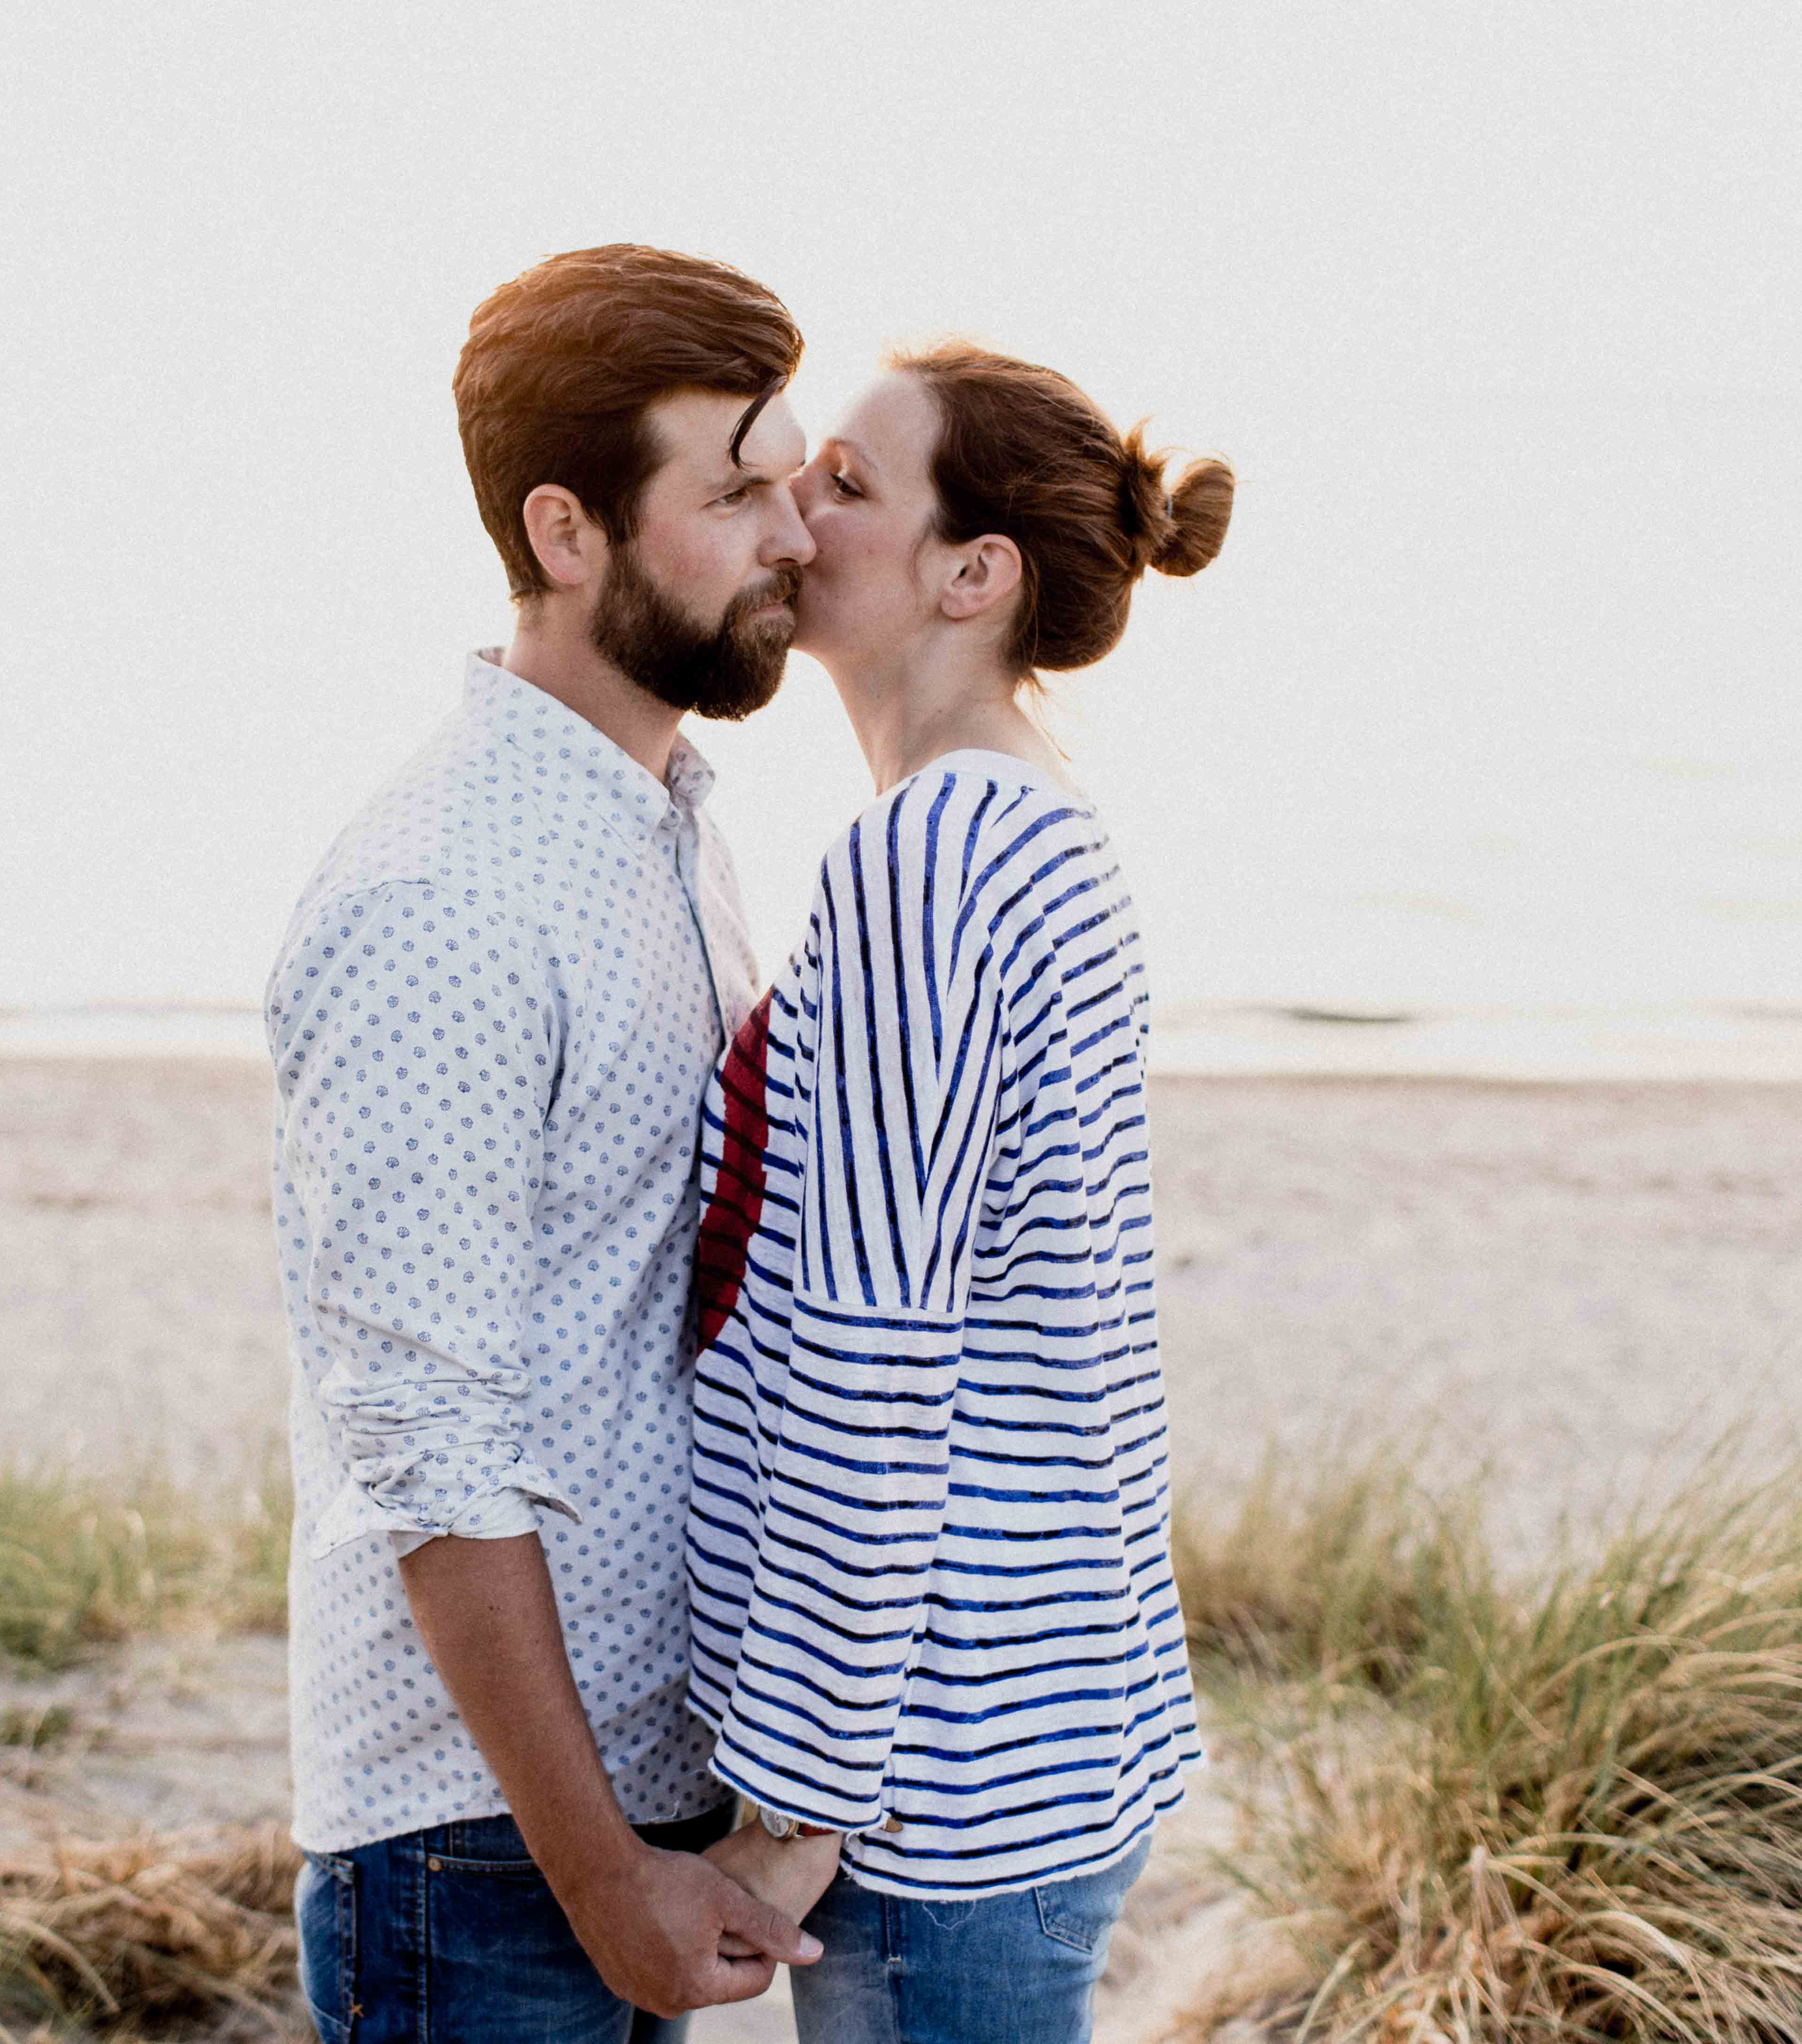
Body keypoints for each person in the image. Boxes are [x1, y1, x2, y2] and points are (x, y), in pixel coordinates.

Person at [266, 244, 824, 2042]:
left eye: (792, 484)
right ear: (567, 534)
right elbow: (421, 1440)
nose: (791, 539)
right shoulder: (447, 895)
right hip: (482, 1849)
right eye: (733, 495)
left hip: (629, 1793)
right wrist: (597, 1878)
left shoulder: (668, 830)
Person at [683, 342, 1231, 2042]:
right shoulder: (1023, 828)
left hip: (938, 1784)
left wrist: (795, 1820)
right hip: (1027, 1722)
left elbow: (876, 1355)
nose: (792, 506)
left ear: (970, 575)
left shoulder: (933, 857)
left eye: (846, 483)